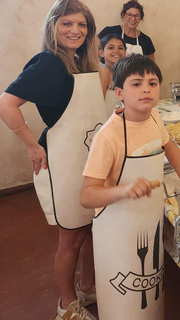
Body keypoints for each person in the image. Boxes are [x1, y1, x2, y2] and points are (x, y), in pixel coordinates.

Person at [0, 0, 108, 319]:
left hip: (88, 159)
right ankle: (65, 304)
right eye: (67, 23)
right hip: (63, 162)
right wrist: (33, 145)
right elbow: (7, 104)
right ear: (53, 27)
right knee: (71, 237)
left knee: (89, 229)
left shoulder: (82, 62)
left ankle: (88, 287)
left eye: (82, 25)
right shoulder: (48, 62)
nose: (75, 30)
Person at [80, 54, 180, 319]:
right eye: (137, 84)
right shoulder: (108, 136)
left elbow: (170, 146)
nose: (146, 89)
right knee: (124, 299)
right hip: (117, 229)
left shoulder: (154, 116)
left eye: (153, 83)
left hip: (148, 218)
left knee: (151, 292)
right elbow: (87, 195)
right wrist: (124, 190)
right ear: (119, 92)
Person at [99, 33, 127, 115]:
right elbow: (100, 100)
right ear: (101, 53)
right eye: (111, 48)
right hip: (106, 119)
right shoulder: (105, 70)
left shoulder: (121, 71)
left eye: (120, 48)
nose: (116, 51)